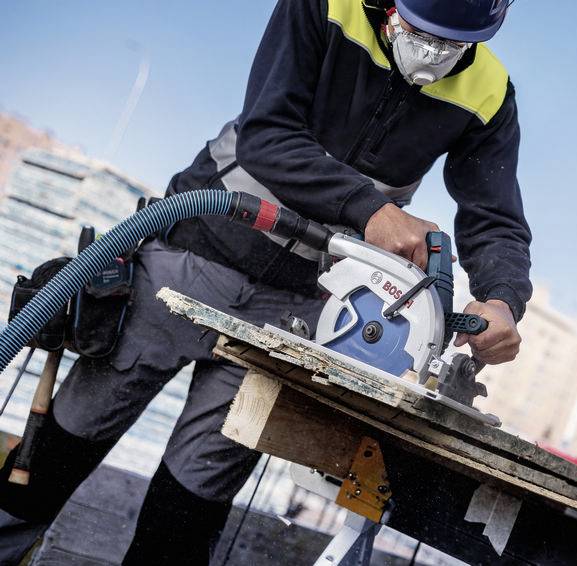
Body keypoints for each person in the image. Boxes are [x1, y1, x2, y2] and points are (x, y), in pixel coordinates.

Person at [0, 0, 532, 563]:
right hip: (196, 250)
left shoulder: (490, 94)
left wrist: (502, 299)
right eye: (417, 30)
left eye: (449, 43)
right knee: (63, 444)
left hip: (295, 311)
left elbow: (495, 219)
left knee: (194, 495)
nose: (430, 51)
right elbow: (269, 133)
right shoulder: (325, 7)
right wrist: (371, 212)